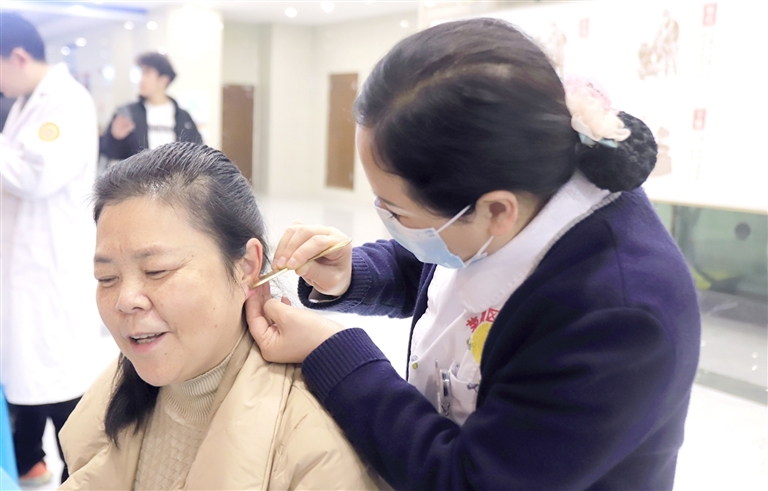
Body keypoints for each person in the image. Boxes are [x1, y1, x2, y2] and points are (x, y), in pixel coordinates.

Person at [246, 18, 701, 490]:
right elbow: (434, 263)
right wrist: (350, 274)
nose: (387, 220)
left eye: (396, 211)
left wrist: (336, 354)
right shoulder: (511, 187)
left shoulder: (617, 318)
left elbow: (469, 479)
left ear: (496, 210)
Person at [58, 142, 380, 490]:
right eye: (107, 278)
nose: (125, 300)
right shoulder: (110, 399)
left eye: (156, 270)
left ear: (247, 266)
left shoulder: (310, 445)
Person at [0, 13, 102, 487]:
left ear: (18, 57)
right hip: (25, 266)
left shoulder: (66, 102)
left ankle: (81, 474)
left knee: (59, 381)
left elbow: (33, 175)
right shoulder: (27, 102)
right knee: (26, 371)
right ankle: (31, 465)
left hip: (49, 268)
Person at [99, 52, 201, 161]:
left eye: (147, 73)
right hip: (139, 172)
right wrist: (115, 138)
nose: (141, 79)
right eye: (141, 73)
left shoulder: (183, 117)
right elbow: (108, 153)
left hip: (175, 172)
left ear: (164, 80)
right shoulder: (127, 113)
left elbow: (198, 154)